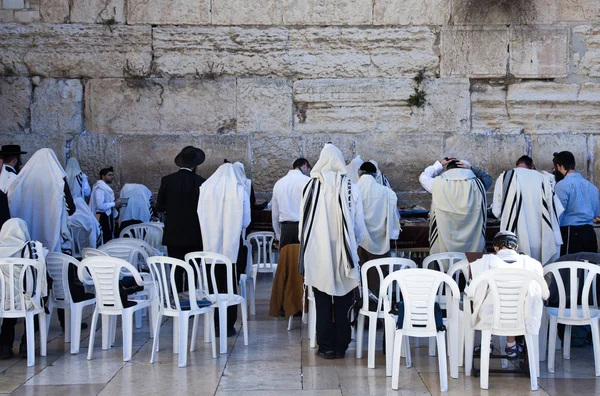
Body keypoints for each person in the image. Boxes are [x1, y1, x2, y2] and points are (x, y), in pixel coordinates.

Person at [299, 143, 366, 359]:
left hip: (319, 253)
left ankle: (326, 346)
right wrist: (351, 246)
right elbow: (358, 225)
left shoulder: (310, 187)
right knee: (344, 300)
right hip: (343, 253)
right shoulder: (351, 187)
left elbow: (303, 224)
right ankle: (342, 345)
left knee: (322, 301)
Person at [467, 231, 545, 358]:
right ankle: (511, 345)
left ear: (495, 247)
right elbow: (543, 293)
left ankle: (488, 343)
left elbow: (470, 291)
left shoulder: (482, 262)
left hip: (490, 317)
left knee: (485, 299)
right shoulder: (532, 264)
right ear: (516, 247)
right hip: (522, 316)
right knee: (516, 303)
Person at [198, 162, 250, 337]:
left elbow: (199, 213)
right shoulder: (238, 189)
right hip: (232, 247)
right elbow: (246, 220)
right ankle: (228, 325)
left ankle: (213, 324)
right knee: (229, 287)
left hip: (210, 247)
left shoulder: (205, 188)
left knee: (212, 286)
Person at [492, 155, 563, 264]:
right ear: (532, 166)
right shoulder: (544, 178)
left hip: (514, 238)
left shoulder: (505, 177)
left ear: (517, 165)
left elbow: (496, 211)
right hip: (541, 237)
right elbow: (555, 210)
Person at [156, 146, 206, 291]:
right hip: (195, 234)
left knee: (176, 270)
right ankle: (192, 298)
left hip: (174, 234)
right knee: (194, 270)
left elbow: (159, 207)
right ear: (195, 165)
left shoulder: (167, 180)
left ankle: (177, 299)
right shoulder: (201, 182)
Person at [7, 149, 76, 254]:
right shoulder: (58, 179)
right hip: (53, 231)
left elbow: (12, 198)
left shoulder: (23, 178)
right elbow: (71, 207)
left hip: (28, 233)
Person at [419, 157, 492, 254]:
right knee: (471, 266)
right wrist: (471, 168)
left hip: (445, 238)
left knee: (444, 262)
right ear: (465, 169)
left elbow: (423, 177)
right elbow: (488, 178)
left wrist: (439, 165)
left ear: (447, 170)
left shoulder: (437, 184)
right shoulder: (478, 184)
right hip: (472, 242)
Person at [0, 218, 48, 358]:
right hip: (26, 302)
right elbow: (42, 278)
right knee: (37, 298)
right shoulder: (32, 248)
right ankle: (26, 344)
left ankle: (5, 345)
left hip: (2, 302)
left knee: (10, 299)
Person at [356, 161, 401, 302]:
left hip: (358, 242)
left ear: (359, 173)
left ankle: (359, 310)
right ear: (375, 174)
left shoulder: (353, 190)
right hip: (380, 242)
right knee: (378, 277)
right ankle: (378, 312)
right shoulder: (386, 192)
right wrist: (393, 234)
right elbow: (394, 217)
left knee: (359, 277)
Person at [552, 151, 600, 255]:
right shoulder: (592, 187)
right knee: (589, 268)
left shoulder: (562, 185)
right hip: (590, 233)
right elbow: (596, 213)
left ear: (558, 166)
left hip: (571, 234)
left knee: (569, 267)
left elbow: (557, 214)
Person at [271, 158, 311, 249]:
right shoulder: (308, 181)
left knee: (286, 261)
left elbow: (275, 213)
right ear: (305, 165)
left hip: (286, 229)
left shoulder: (279, 183)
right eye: (309, 169)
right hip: (304, 228)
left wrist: (278, 234)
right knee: (303, 261)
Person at [89, 167, 122, 243]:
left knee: (108, 237)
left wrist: (115, 204)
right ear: (103, 176)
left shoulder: (105, 187)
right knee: (105, 239)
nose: (112, 177)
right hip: (102, 216)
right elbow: (100, 206)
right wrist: (114, 203)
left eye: (112, 175)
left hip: (107, 215)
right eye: (109, 175)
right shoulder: (100, 188)